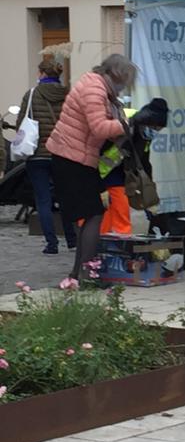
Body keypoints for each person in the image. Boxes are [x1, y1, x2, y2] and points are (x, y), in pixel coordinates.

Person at [46, 54, 135, 285]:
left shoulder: (97, 86)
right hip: (71, 158)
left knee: (89, 216)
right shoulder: (94, 89)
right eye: (125, 81)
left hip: (78, 158)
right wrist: (129, 124)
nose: (124, 87)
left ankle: (79, 273)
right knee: (92, 214)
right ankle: (86, 273)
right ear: (116, 74)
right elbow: (99, 128)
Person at [15, 59, 78, 254]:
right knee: (66, 197)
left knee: (43, 200)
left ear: (42, 73)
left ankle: (51, 244)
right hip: (62, 153)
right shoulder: (69, 94)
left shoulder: (32, 95)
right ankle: (72, 240)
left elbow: (20, 124)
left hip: (37, 154)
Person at [98, 98, 168, 234]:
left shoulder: (145, 134)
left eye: (159, 129)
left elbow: (144, 162)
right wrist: (99, 185)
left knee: (121, 212)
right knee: (102, 215)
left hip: (120, 174)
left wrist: (150, 191)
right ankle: (99, 247)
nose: (155, 132)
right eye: (155, 128)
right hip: (98, 171)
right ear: (149, 121)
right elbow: (97, 147)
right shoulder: (124, 121)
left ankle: (120, 248)